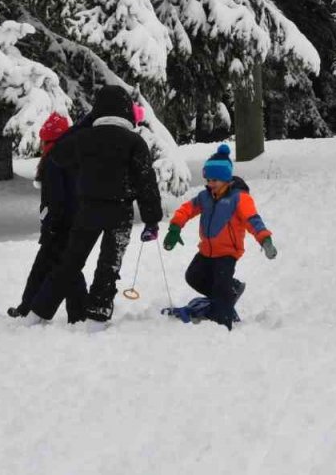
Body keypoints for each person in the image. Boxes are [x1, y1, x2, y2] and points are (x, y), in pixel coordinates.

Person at [25, 85, 163, 323]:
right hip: (120, 212)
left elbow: (57, 155)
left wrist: (82, 127)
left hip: (88, 210)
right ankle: (98, 313)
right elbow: (146, 182)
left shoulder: (83, 138)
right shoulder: (134, 142)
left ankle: (38, 312)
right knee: (109, 266)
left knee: (70, 262)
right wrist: (152, 219)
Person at [162, 143, 276, 330]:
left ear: (226, 179)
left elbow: (252, 219)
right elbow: (187, 209)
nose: (210, 184)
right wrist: (175, 227)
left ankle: (222, 322)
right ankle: (230, 291)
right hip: (206, 250)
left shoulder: (239, 198)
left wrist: (265, 239)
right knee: (193, 276)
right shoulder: (205, 197)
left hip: (227, 253)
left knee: (220, 288)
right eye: (208, 180)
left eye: (215, 180)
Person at [7, 111, 79, 319]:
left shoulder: (54, 159)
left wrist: (51, 225)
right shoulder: (72, 156)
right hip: (70, 223)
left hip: (59, 225)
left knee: (47, 268)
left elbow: (55, 198)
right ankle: (77, 311)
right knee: (66, 268)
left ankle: (29, 308)